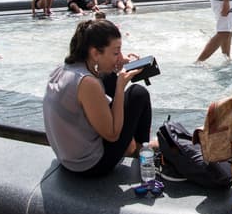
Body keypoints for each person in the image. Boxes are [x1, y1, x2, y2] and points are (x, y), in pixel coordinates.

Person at [43, 19, 155, 177]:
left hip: (68, 159)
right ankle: (141, 151)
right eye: (116, 52)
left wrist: (117, 64)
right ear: (95, 53)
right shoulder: (88, 83)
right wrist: (120, 87)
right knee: (138, 93)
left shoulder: (65, 69)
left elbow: (99, 76)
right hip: (90, 166)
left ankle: (133, 146)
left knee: (109, 78)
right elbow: (113, 134)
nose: (119, 57)